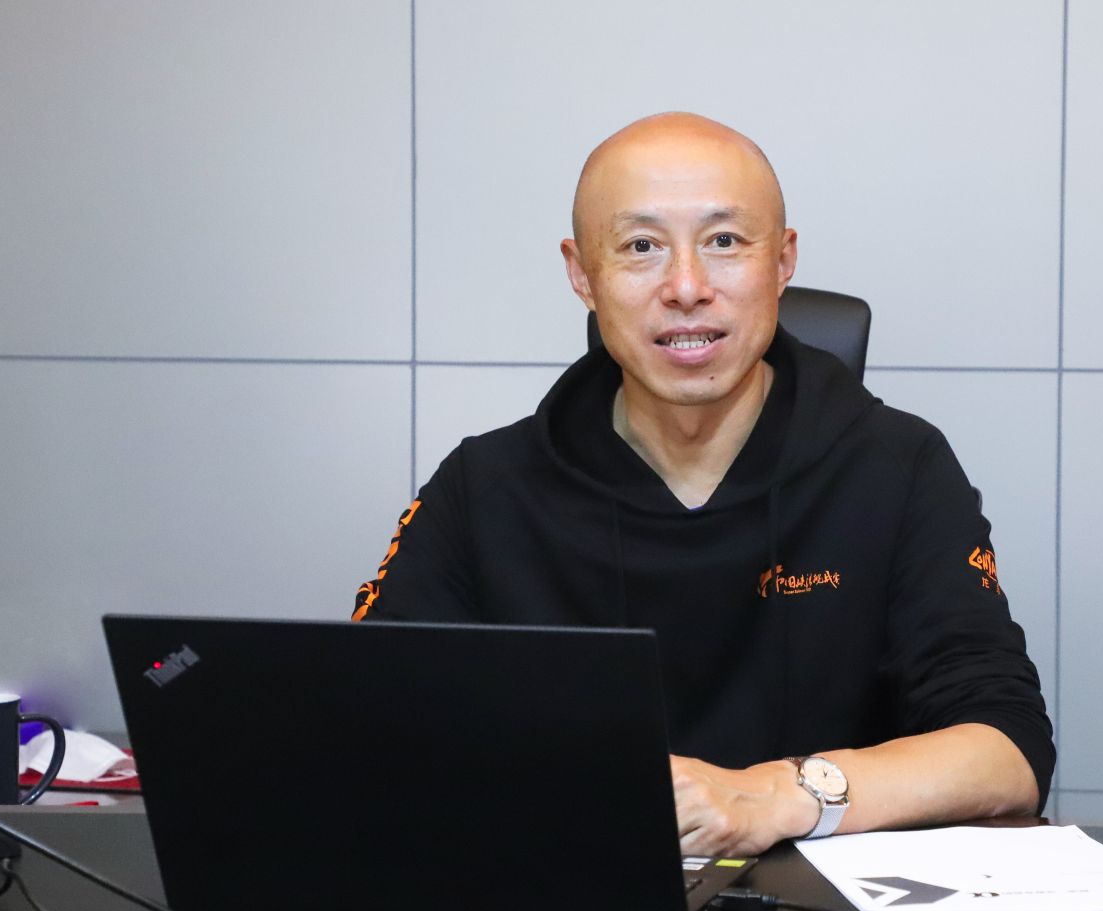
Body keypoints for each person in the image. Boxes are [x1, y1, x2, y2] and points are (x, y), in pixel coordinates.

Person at [353, 112, 1054, 856]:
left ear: (782, 261)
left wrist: (778, 795)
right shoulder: (484, 487)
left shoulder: (898, 466)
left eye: (724, 241)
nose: (686, 287)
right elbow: (366, 720)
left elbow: (1007, 749)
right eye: (641, 246)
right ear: (582, 274)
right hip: (568, 899)